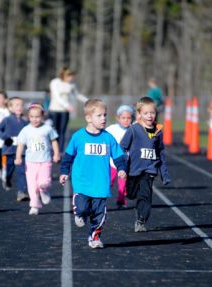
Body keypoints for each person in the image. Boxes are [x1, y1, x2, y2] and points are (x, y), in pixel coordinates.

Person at [59, 98, 127, 249]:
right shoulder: (78, 137)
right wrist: (64, 172)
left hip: (101, 184)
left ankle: (95, 237)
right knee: (83, 208)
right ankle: (79, 213)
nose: (103, 118)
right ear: (88, 118)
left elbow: (118, 156)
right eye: (99, 115)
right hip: (82, 182)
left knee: (99, 214)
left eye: (105, 115)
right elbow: (68, 157)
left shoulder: (108, 137)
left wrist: (121, 168)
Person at [120, 96, 171, 233]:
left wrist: (164, 174)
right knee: (131, 194)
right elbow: (122, 147)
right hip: (133, 170)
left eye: (152, 113)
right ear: (139, 114)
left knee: (146, 195)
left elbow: (160, 152)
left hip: (149, 170)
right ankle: (134, 200)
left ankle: (141, 220)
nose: (150, 116)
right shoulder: (133, 130)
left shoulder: (158, 131)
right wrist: (123, 166)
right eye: (146, 113)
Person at [14, 103, 60, 215]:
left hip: (45, 161)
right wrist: (18, 157)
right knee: (32, 185)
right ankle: (34, 205)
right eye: (32, 117)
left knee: (43, 182)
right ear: (28, 117)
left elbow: (54, 141)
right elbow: (20, 144)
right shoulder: (26, 130)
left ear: (42, 116)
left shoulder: (47, 129)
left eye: (37, 117)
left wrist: (56, 154)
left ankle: (44, 192)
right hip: (30, 162)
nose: (35, 119)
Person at [0, 97, 29, 201]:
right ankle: (7, 179)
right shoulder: (7, 119)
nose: (20, 107)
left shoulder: (25, 122)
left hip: (21, 152)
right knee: (9, 170)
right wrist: (5, 137)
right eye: (17, 105)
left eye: (21, 105)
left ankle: (21, 192)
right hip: (9, 150)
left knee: (22, 172)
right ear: (10, 107)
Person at [48, 66, 88, 154]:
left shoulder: (71, 85)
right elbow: (56, 96)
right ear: (64, 76)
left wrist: (87, 100)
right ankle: (52, 149)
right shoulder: (55, 82)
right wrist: (67, 105)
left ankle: (60, 151)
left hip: (64, 112)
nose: (71, 78)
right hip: (54, 110)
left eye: (72, 76)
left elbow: (77, 95)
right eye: (70, 76)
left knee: (62, 131)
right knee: (54, 130)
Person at [106, 104, 134, 208]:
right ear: (118, 118)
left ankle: (121, 201)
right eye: (123, 118)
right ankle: (99, 200)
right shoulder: (112, 129)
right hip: (113, 163)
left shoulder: (133, 130)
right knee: (108, 182)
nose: (126, 120)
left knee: (123, 185)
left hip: (126, 164)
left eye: (128, 118)